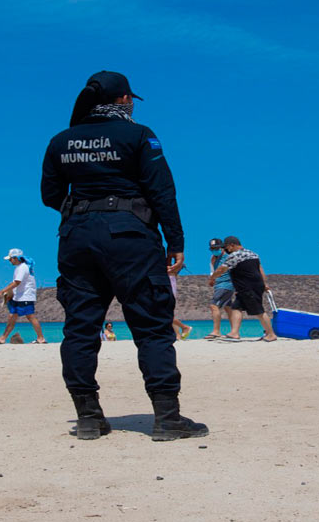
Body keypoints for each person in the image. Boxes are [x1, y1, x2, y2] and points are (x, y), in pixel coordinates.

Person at [41, 70, 207, 442]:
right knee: (151, 326)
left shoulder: (61, 140)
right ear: (121, 100)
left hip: (76, 236)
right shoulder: (139, 134)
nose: (132, 103)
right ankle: (167, 418)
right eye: (130, 98)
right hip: (130, 234)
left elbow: (49, 194)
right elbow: (163, 190)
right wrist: (175, 241)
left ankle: (88, 418)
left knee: (80, 329)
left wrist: (85, 211)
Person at [208, 236, 277, 342]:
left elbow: (222, 269)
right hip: (251, 286)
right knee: (236, 308)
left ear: (232, 245)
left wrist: (212, 277)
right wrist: (264, 283)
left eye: (226, 247)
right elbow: (260, 269)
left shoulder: (235, 255)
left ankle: (271, 334)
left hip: (248, 286)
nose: (226, 250)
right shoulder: (253, 254)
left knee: (258, 310)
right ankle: (234, 333)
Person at [0, 248, 47, 344]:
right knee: (12, 317)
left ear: (15, 258)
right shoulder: (21, 267)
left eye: (10, 259)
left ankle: (41, 338)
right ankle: (3, 338)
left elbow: (17, 282)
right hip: (19, 297)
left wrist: (2, 291)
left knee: (31, 317)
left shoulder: (22, 268)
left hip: (25, 297)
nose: (9, 261)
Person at [206, 238, 234, 339]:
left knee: (214, 305)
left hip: (226, 284)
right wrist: (212, 279)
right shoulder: (213, 258)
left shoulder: (229, 256)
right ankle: (234, 331)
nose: (214, 250)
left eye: (216, 248)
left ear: (221, 247)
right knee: (228, 307)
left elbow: (223, 270)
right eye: (212, 248)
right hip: (218, 284)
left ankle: (216, 331)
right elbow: (212, 271)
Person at [168, 269, 193, 340]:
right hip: (169, 292)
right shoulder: (170, 271)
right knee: (170, 314)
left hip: (168, 293)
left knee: (166, 314)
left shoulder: (169, 270)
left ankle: (185, 327)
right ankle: (178, 335)